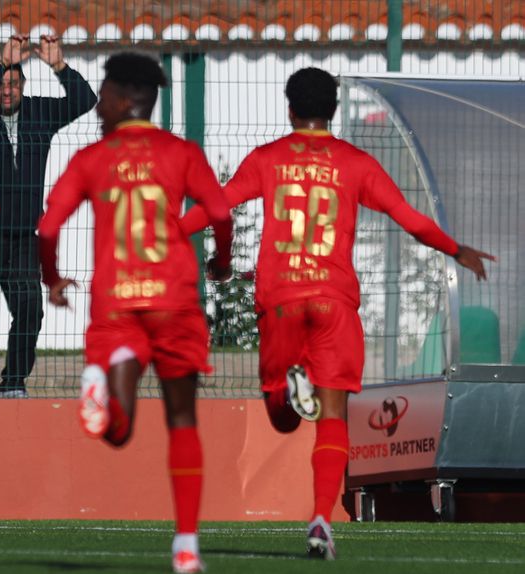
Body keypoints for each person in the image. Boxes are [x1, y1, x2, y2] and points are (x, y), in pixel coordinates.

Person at [181, 67, 495, 560]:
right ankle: (321, 521)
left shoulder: (267, 158)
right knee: (333, 416)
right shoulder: (355, 163)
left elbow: (217, 207)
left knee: (282, 420)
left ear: (290, 110)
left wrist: (169, 233)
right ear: (333, 110)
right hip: (333, 300)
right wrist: (456, 249)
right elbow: (408, 217)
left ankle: (290, 391)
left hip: (281, 297)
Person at [38, 52, 233, 574]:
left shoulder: (92, 158)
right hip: (173, 301)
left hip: (117, 304)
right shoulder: (181, 152)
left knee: (118, 433)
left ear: (125, 98)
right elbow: (219, 212)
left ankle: (103, 386)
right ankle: (186, 546)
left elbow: (49, 227)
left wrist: (53, 279)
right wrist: (221, 261)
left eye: (102, 94)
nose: (97, 104)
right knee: (182, 419)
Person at [0, 34, 97, 398]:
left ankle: (14, 382)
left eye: (14, 84)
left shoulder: (40, 113)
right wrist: (0, 62)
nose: (7, 91)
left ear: (24, 86)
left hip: (23, 236)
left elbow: (84, 100)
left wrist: (58, 65)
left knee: (29, 310)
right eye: (1, 84)